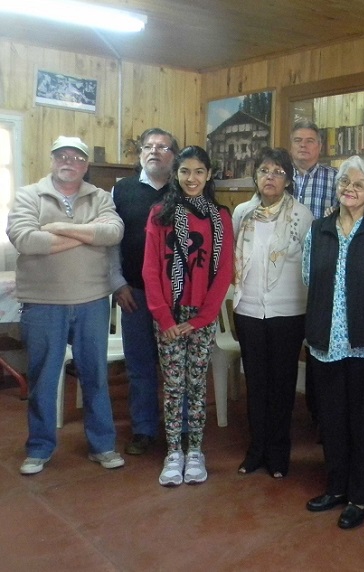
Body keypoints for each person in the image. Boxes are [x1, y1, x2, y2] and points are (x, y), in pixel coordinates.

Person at [8, 135, 125, 475]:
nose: (69, 161)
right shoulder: (29, 195)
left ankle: (102, 445)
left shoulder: (100, 197)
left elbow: (113, 233)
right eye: (62, 155)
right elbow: (27, 240)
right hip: (43, 304)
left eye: (76, 157)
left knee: (96, 377)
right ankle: (39, 447)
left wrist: (58, 228)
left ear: (85, 165)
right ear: (52, 159)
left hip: (92, 301)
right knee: (43, 378)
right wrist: (86, 233)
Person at [302, 156, 364, 530]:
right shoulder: (319, 229)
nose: (349, 188)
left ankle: (360, 495)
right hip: (327, 342)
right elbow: (309, 276)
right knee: (333, 419)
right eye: (344, 182)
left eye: (359, 183)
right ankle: (337, 486)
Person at [142, 145, 234, 486]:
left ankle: (195, 450)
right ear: (175, 175)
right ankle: (173, 453)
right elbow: (151, 269)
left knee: (197, 385)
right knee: (173, 386)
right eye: (185, 172)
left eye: (198, 171)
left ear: (208, 174)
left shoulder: (220, 216)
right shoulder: (159, 214)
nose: (191, 178)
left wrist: (202, 318)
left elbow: (224, 270)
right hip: (169, 315)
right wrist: (165, 319)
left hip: (202, 317)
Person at [232, 148, 313, 478]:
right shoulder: (242, 213)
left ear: (288, 179)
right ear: (255, 176)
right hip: (249, 310)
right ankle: (257, 450)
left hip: (289, 311)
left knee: (282, 385)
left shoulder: (302, 216)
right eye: (264, 170)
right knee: (256, 382)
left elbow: (309, 267)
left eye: (278, 171)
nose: (270, 176)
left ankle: (279, 452)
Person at [109, 127, 180, 456]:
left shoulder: (183, 191)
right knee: (139, 366)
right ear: (140, 153)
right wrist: (117, 283)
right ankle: (144, 429)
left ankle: (177, 431)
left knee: (174, 366)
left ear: (173, 156)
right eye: (149, 146)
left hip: (174, 299)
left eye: (163, 147)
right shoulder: (120, 191)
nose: (155, 152)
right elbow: (110, 244)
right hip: (134, 293)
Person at [290, 119, 339, 425]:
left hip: (324, 274)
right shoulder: (279, 177)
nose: (304, 146)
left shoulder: (336, 179)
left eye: (310, 140)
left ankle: (320, 414)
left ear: (320, 146)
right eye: (298, 140)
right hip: (285, 274)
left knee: (319, 343)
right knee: (289, 343)